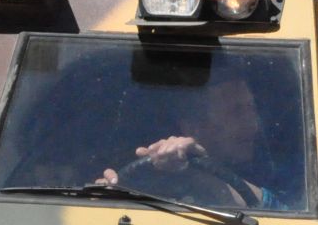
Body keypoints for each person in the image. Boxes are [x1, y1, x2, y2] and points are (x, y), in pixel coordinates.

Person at [97, 74, 283, 211]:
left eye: (251, 109)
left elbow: (286, 219)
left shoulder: (284, 165)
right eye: (235, 113)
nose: (253, 125)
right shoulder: (151, 178)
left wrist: (202, 174)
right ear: (194, 128)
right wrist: (113, 193)